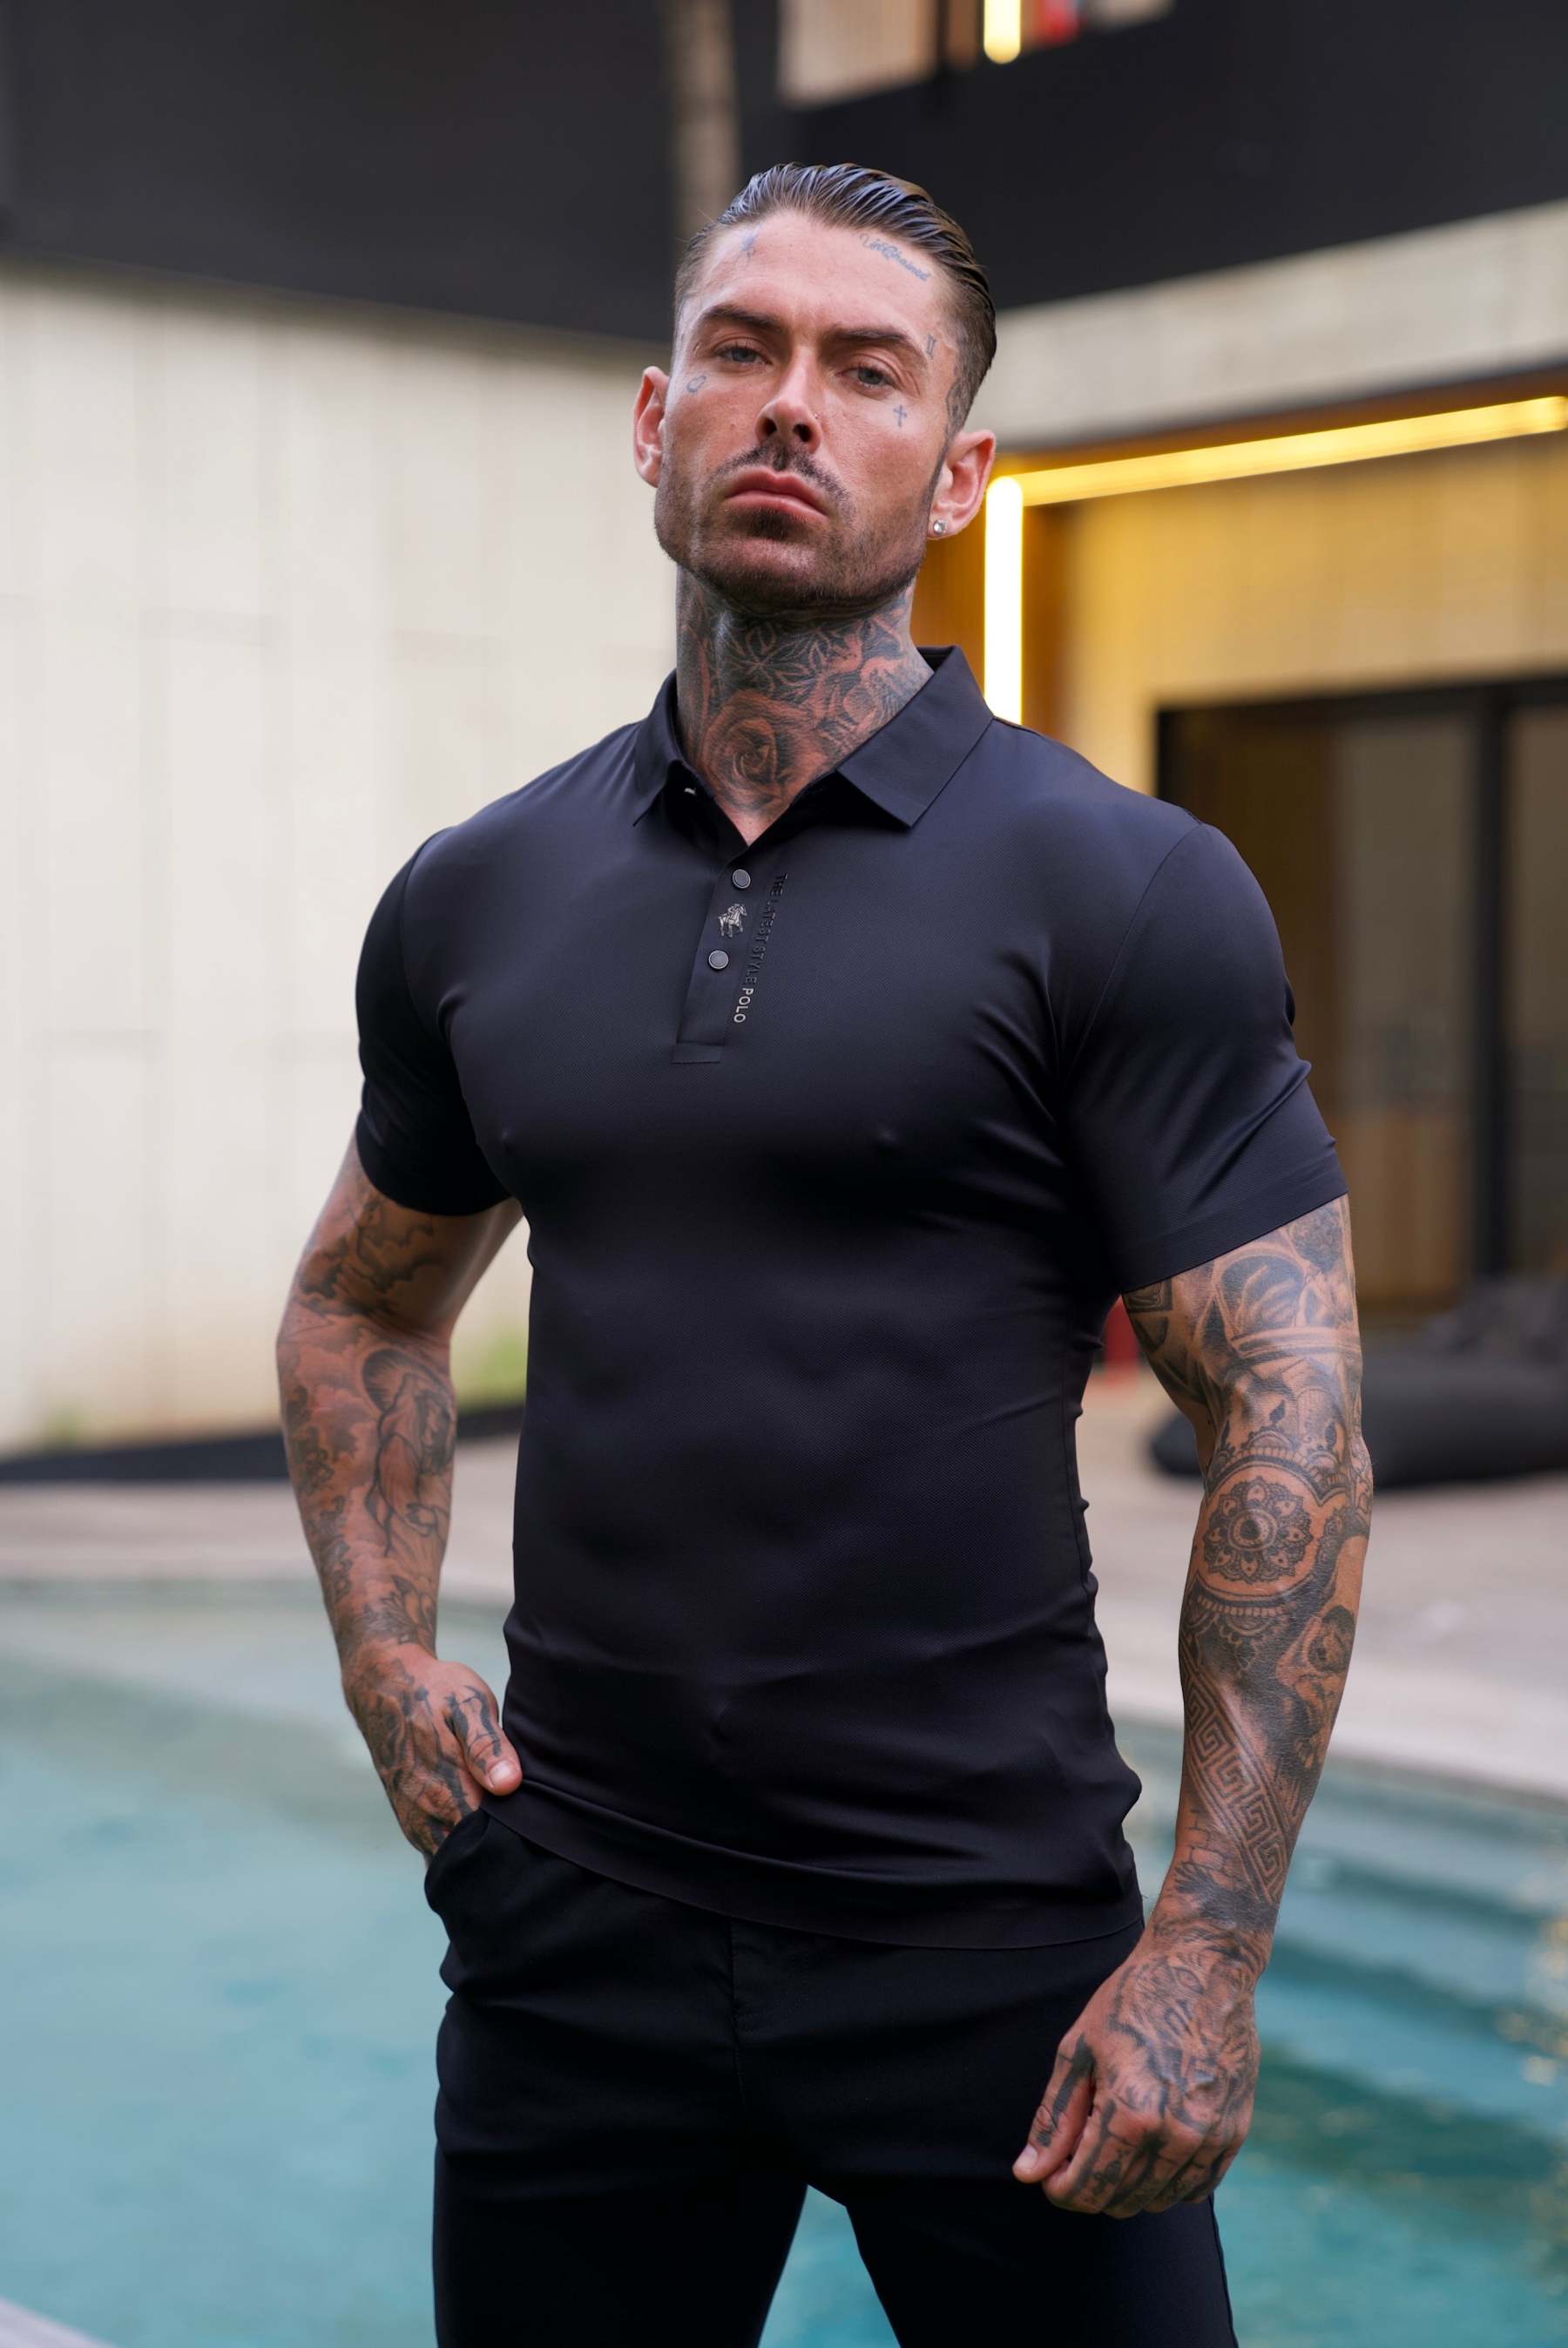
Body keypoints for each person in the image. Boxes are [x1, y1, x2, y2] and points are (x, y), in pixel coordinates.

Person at [276, 161, 1372, 2347]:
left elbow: (1293, 1409)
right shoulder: (482, 891)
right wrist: (389, 1660)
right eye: (744, 350)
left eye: (869, 371)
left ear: (958, 474)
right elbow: (362, 1298)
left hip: (994, 1955)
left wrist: (1205, 1948)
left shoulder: (1121, 888)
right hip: (572, 1931)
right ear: (654, 418)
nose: (792, 403)